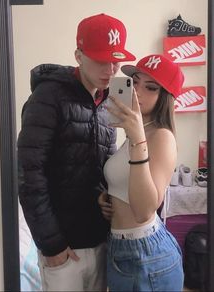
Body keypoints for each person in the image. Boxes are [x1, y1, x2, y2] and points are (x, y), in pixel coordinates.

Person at [17, 13, 136, 292]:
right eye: (100, 59)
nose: (110, 69)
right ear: (79, 55)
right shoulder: (48, 98)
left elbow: (102, 165)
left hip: (100, 238)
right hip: (64, 247)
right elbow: (28, 175)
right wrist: (51, 244)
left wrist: (106, 194)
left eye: (116, 60)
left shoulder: (109, 100)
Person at [99, 54, 185, 291]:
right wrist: (108, 198)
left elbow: (144, 210)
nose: (137, 91)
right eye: (134, 82)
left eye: (150, 87)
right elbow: (126, 182)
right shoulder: (134, 132)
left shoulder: (160, 136)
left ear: (164, 98)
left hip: (146, 255)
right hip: (120, 247)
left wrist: (137, 138)